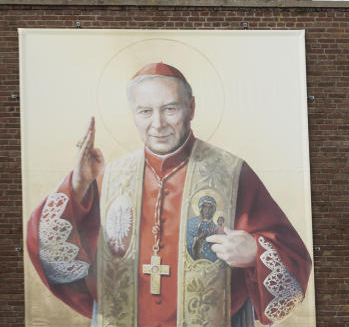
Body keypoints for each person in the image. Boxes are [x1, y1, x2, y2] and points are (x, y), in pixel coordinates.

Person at [25, 62, 312, 325]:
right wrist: (78, 185)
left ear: (192, 108)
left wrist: (254, 252)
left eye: (170, 109)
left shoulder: (232, 172)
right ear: (133, 115)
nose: (158, 124)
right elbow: (52, 252)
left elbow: (293, 261)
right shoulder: (111, 176)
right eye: (145, 112)